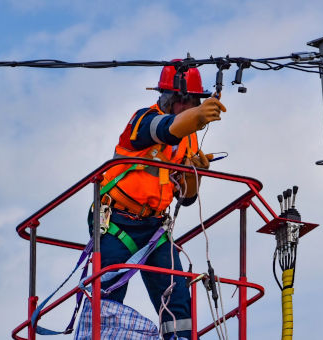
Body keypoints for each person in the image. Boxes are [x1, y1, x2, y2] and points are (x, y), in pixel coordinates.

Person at [88, 61, 226, 340]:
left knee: (175, 295)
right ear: (172, 99)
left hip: (155, 228)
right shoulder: (141, 121)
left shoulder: (188, 142)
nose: (190, 106)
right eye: (187, 101)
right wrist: (198, 116)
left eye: (195, 102)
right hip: (117, 221)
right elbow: (164, 129)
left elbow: (186, 200)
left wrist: (195, 175)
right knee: (108, 294)